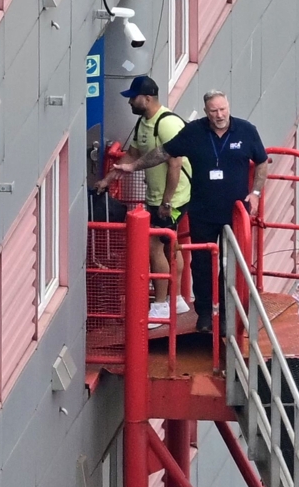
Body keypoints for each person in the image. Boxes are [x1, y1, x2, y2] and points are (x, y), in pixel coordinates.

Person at [114, 90, 269, 333]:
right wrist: (132, 166)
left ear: (228, 107)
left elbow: (261, 161)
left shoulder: (246, 130)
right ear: (206, 112)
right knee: (202, 263)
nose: (220, 115)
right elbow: (163, 152)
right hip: (202, 210)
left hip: (235, 212)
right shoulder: (195, 131)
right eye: (214, 111)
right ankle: (205, 313)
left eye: (223, 109)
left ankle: (228, 314)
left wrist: (256, 193)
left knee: (231, 265)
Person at [95, 76, 192, 328]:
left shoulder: (167, 123)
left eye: (133, 97)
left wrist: (167, 202)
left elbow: (175, 164)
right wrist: (108, 179)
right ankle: (177, 298)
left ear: (147, 98)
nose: (129, 102)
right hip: (158, 195)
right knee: (171, 245)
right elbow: (132, 156)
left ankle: (161, 305)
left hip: (172, 197)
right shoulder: (144, 123)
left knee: (154, 247)